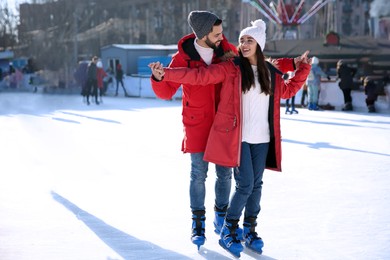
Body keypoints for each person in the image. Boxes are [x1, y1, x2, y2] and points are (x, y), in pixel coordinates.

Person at [150, 19, 311, 257]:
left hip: (263, 139)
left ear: (259, 44)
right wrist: (166, 74)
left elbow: (287, 89)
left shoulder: (269, 73)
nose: (243, 44)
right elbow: (199, 76)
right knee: (241, 183)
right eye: (242, 40)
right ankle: (228, 227)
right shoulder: (232, 68)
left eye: (249, 40)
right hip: (237, 136)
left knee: (255, 186)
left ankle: (249, 229)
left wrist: (302, 68)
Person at [149, 10, 238, 249]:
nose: (221, 37)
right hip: (197, 122)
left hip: (223, 123)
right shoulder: (182, 58)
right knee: (198, 174)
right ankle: (198, 222)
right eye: (217, 33)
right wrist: (158, 78)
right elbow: (166, 92)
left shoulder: (229, 53)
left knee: (225, 174)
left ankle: (221, 215)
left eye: (221, 32)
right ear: (203, 34)